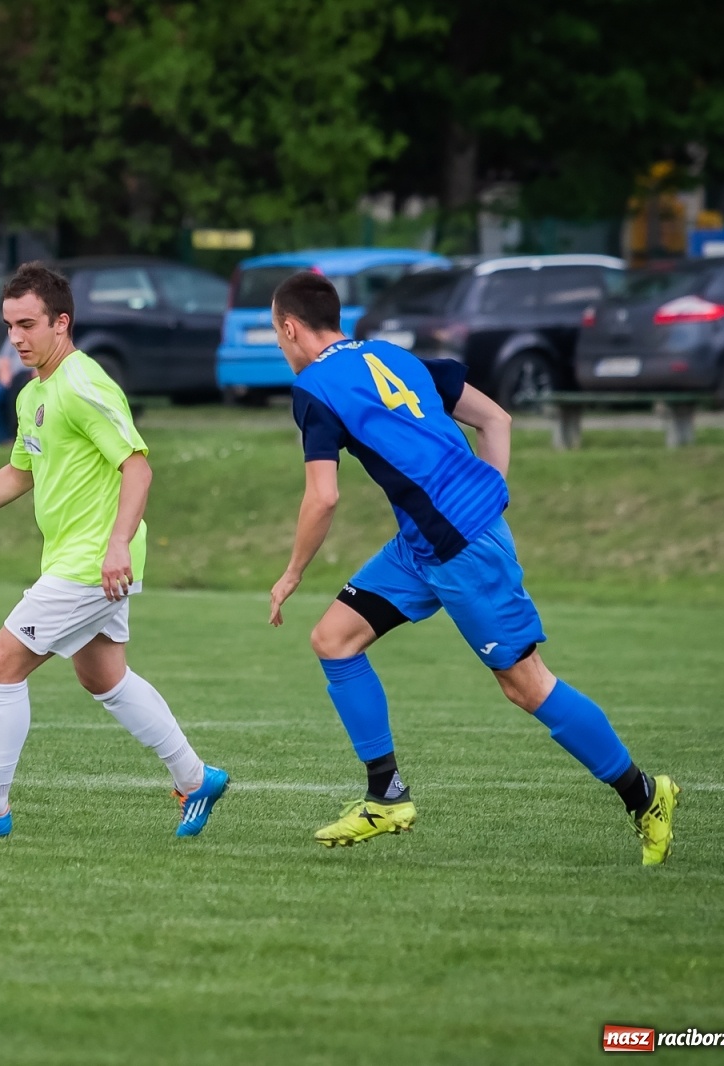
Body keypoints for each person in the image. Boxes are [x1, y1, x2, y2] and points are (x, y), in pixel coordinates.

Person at [265, 270, 678, 864]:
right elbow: (496, 420)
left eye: (279, 339)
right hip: (422, 544)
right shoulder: (394, 356)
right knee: (334, 639)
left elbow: (322, 497)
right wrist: (489, 491)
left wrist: (292, 573)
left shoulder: (315, 389)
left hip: (461, 548)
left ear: (291, 327)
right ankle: (386, 795)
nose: (283, 351)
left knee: (526, 684)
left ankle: (645, 796)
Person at [0, 262, 229, 839]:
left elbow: (137, 467)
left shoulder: (84, 384)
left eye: (27, 324)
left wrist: (116, 546)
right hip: (76, 559)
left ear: (62, 322)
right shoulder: (33, 392)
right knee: (105, 678)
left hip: (94, 562)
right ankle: (195, 776)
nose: (16, 337)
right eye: (9, 325)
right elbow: (16, 474)